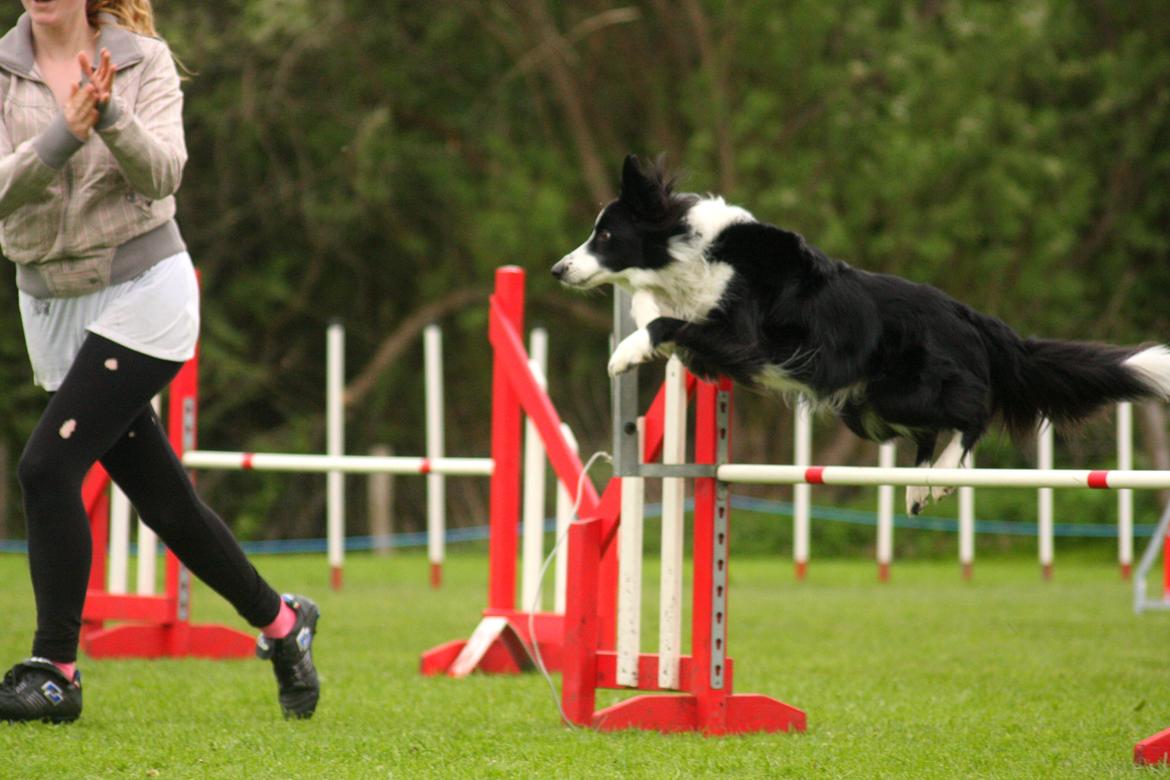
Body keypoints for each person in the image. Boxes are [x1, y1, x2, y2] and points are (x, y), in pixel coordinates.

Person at [0, 0, 320, 722]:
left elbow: (162, 177)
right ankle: (281, 622)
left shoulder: (144, 61)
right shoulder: (1, 71)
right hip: (50, 301)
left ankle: (55, 672)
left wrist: (110, 116)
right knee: (165, 502)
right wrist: (63, 133)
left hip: (144, 288)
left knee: (46, 468)